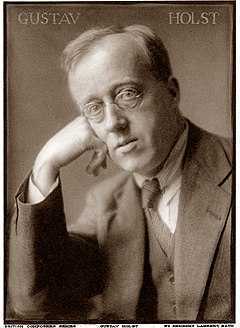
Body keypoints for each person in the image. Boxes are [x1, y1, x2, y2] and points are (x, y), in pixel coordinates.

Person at [8, 25, 233, 322]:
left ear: (171, 91)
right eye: (94, 108)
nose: (113, 123)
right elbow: (34, 304)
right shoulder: (104, 204)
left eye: (128, 94)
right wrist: (46, 162)